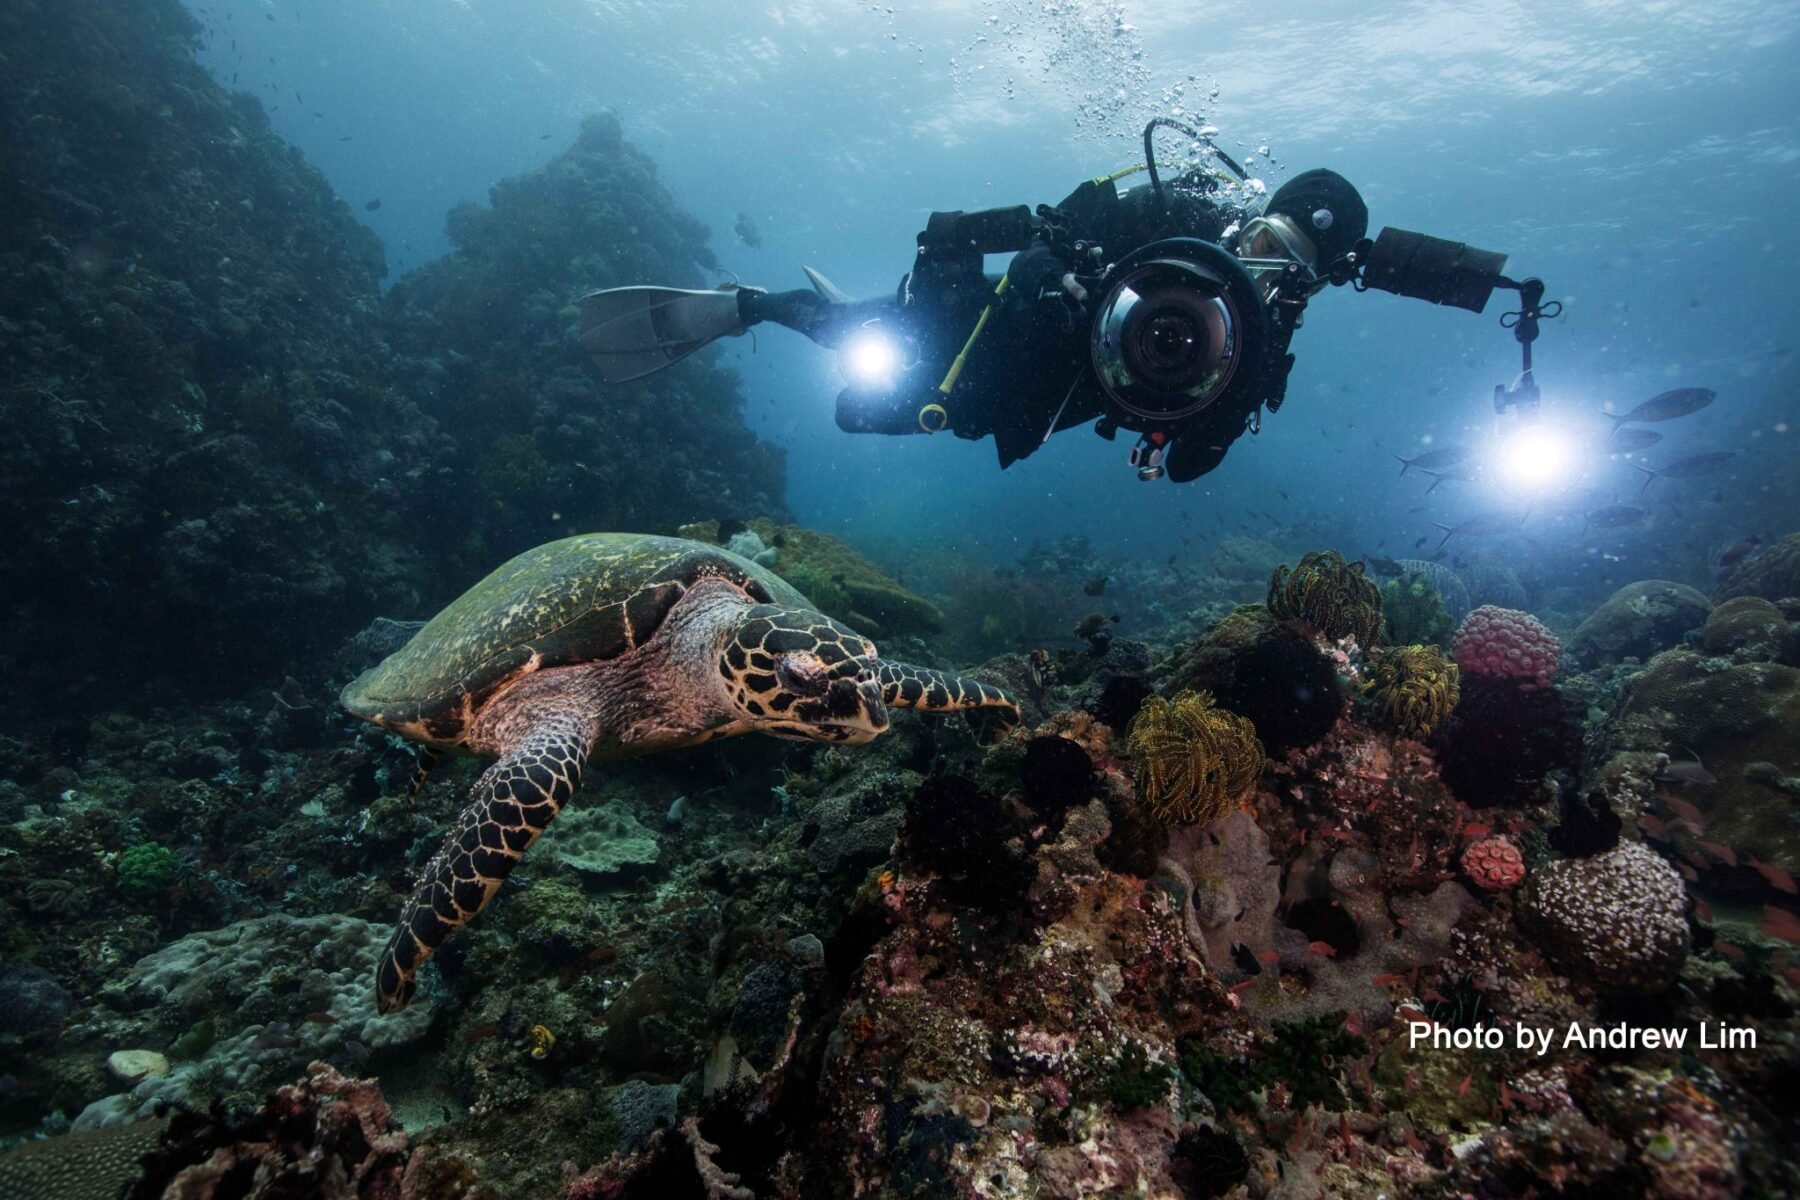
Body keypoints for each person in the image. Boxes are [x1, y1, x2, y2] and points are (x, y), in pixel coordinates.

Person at [581, 120, 1532, 483]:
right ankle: (749, 306)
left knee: (862, 412)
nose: (1273, 270)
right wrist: (1066, 261)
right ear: (1257, 218)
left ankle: (831, 315)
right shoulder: (1175, 212)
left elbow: (1193, 466)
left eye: (1299, 270)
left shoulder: (1268, 330)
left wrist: (1226, 394)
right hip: (1001, 330)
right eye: (1272, 244)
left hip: (1037, 405)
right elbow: (1063, 215)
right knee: (874, 355)